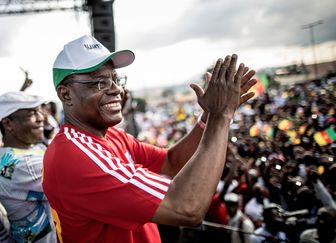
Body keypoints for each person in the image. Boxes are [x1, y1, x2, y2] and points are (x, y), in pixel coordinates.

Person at [42, 35, 257, 242]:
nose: (116, 89)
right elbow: (186, 208)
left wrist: (208, 117)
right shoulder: (74, 156)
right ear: (65, 94)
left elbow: (171, 163)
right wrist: (221, 116)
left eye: (115, 80)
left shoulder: (111, 136)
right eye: (99, 83)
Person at [0, 91, 57, 243]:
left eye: (40, 111)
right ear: (8, 124)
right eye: (32, 114)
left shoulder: (19, 152)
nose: (41, 118)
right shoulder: (22, 164)